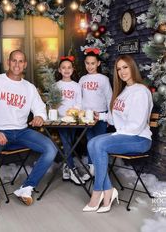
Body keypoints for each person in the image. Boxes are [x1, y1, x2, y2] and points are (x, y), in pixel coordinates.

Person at [0, 50, 57, 220]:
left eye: (21, 61)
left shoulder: (29, 88)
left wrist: (40, 117)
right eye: (14, 61)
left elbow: (40, 108)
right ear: (8, 62)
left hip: (21, 131)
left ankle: (27, 187)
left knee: (51, 149)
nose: (17, 64)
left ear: (25, 64)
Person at [82, 55, 153, 213]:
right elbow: (114, 118)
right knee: (92, 142)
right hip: (125, 135)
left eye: (125, 67)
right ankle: (108, 190)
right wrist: (99, 116)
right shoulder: (123, 91)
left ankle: (97, 192)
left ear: (132, 67)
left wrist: (115, 135)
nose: (122, 72)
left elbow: (137, 125)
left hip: (139, 139)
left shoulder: (141, 91)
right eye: (119, 69)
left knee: (98, 143)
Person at [78, 48, 113, 179]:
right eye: (87, 63)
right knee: (89, 142)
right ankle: (91, 168)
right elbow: (80, 98)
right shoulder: (82, 79)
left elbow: (109, 97)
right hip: (86, 116)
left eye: (93, 63)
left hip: (101, 114)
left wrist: (109, 116)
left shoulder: (103, 79)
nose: (90, 66)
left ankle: (101, 170)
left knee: (100, 143)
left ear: (98, 63)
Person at [55, 56, 85, 185]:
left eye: (69, 67)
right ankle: (72, 170)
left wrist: (74, 111)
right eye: (63, 68)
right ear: (59, 70)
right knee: (67, 143)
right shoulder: (55, 86)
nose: (66, 70)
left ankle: (66, 169)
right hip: (60, 120)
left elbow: (79, 102)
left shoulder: (76, 86)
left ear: (73, 70)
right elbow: (52, 103)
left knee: (70, 144)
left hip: (73, 119)